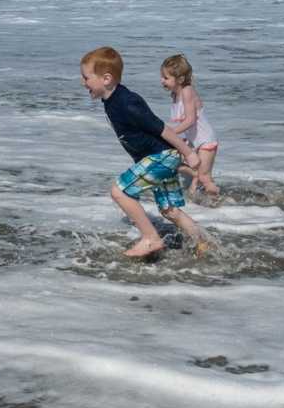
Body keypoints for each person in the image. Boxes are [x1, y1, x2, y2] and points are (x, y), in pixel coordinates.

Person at [80, 46, 205, 258]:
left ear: (106, 79)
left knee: (119, 192)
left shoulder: (127, 102)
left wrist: (189, 153)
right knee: (169, 210)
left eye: (86, 78)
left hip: (161, 156)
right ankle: (203, 243)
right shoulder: (111, 100)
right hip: (163, 156)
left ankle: (151, 238)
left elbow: (161, 128)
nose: (83, 83)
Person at [161, 54, 221, 196]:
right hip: (192, 142)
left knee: (204, 177)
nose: (162, 81)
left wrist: (170, 133)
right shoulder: (174, 95)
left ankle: (220, 201)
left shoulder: (187, 91)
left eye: (166, 78)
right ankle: (198, 201)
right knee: (172, 163)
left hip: (206, 140)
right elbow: (182, 122)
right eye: (162, 76)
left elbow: (190, 120)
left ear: (180, 79)